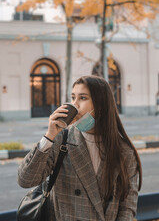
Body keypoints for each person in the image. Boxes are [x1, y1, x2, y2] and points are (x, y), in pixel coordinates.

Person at [18, 75, 142, 221]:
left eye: (83, 98)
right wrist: (49, 136)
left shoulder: (123, 151)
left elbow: (127, 206)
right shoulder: (61, 140)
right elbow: (25, 180)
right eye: (73, 98)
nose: (75, 105)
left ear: (101, 104)